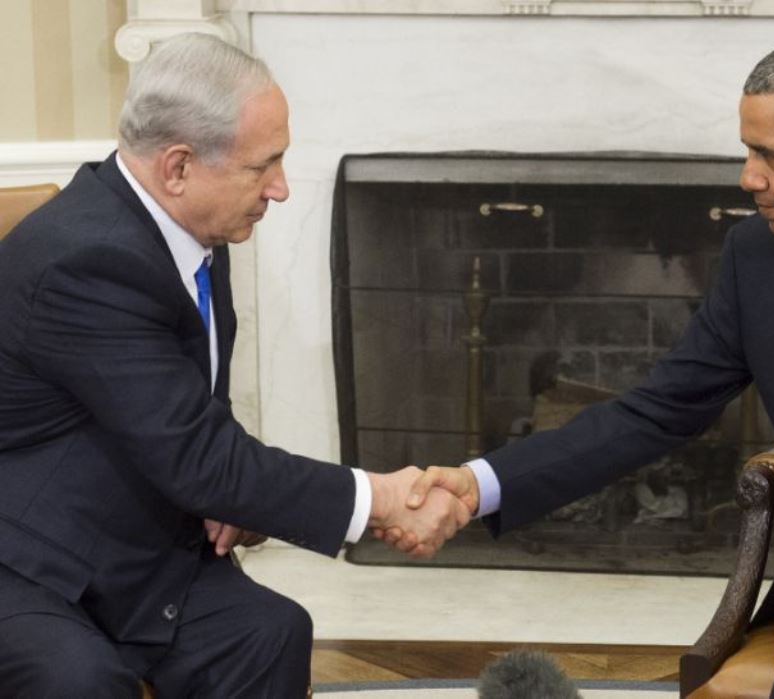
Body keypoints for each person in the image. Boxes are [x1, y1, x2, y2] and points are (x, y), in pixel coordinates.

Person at [393, 32, 774, 697]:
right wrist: (479, 482)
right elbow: (655, 410)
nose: (749, 178)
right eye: (748, 151)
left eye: (771, 156)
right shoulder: (761, 259)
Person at [0, 33, 468, 697]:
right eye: (263, 165)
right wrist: (382, 498)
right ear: (178, 167)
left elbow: (189, 426)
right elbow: (199, 456)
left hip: (133, 537)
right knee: (80, 679)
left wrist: (230, 495)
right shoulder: (89, 261)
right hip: (27, 557)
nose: (279, 188)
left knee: (270, 632)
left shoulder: (192, 232)